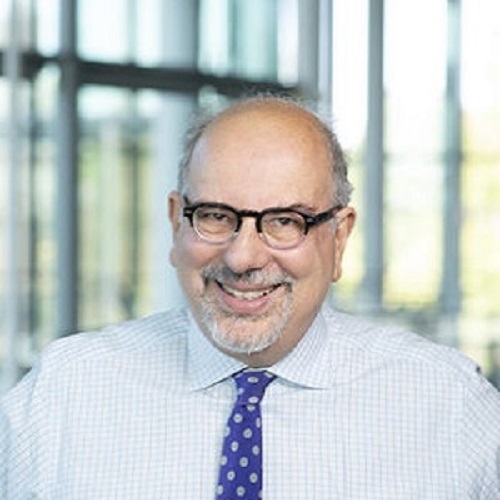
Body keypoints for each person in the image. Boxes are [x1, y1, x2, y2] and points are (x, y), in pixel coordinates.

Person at [1, 95, 499, 499]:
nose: (242, 257)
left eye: (285, 221)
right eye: (216, 216)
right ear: (177, 223)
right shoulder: (64, 395)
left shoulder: (449, 406)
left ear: (340, 237)